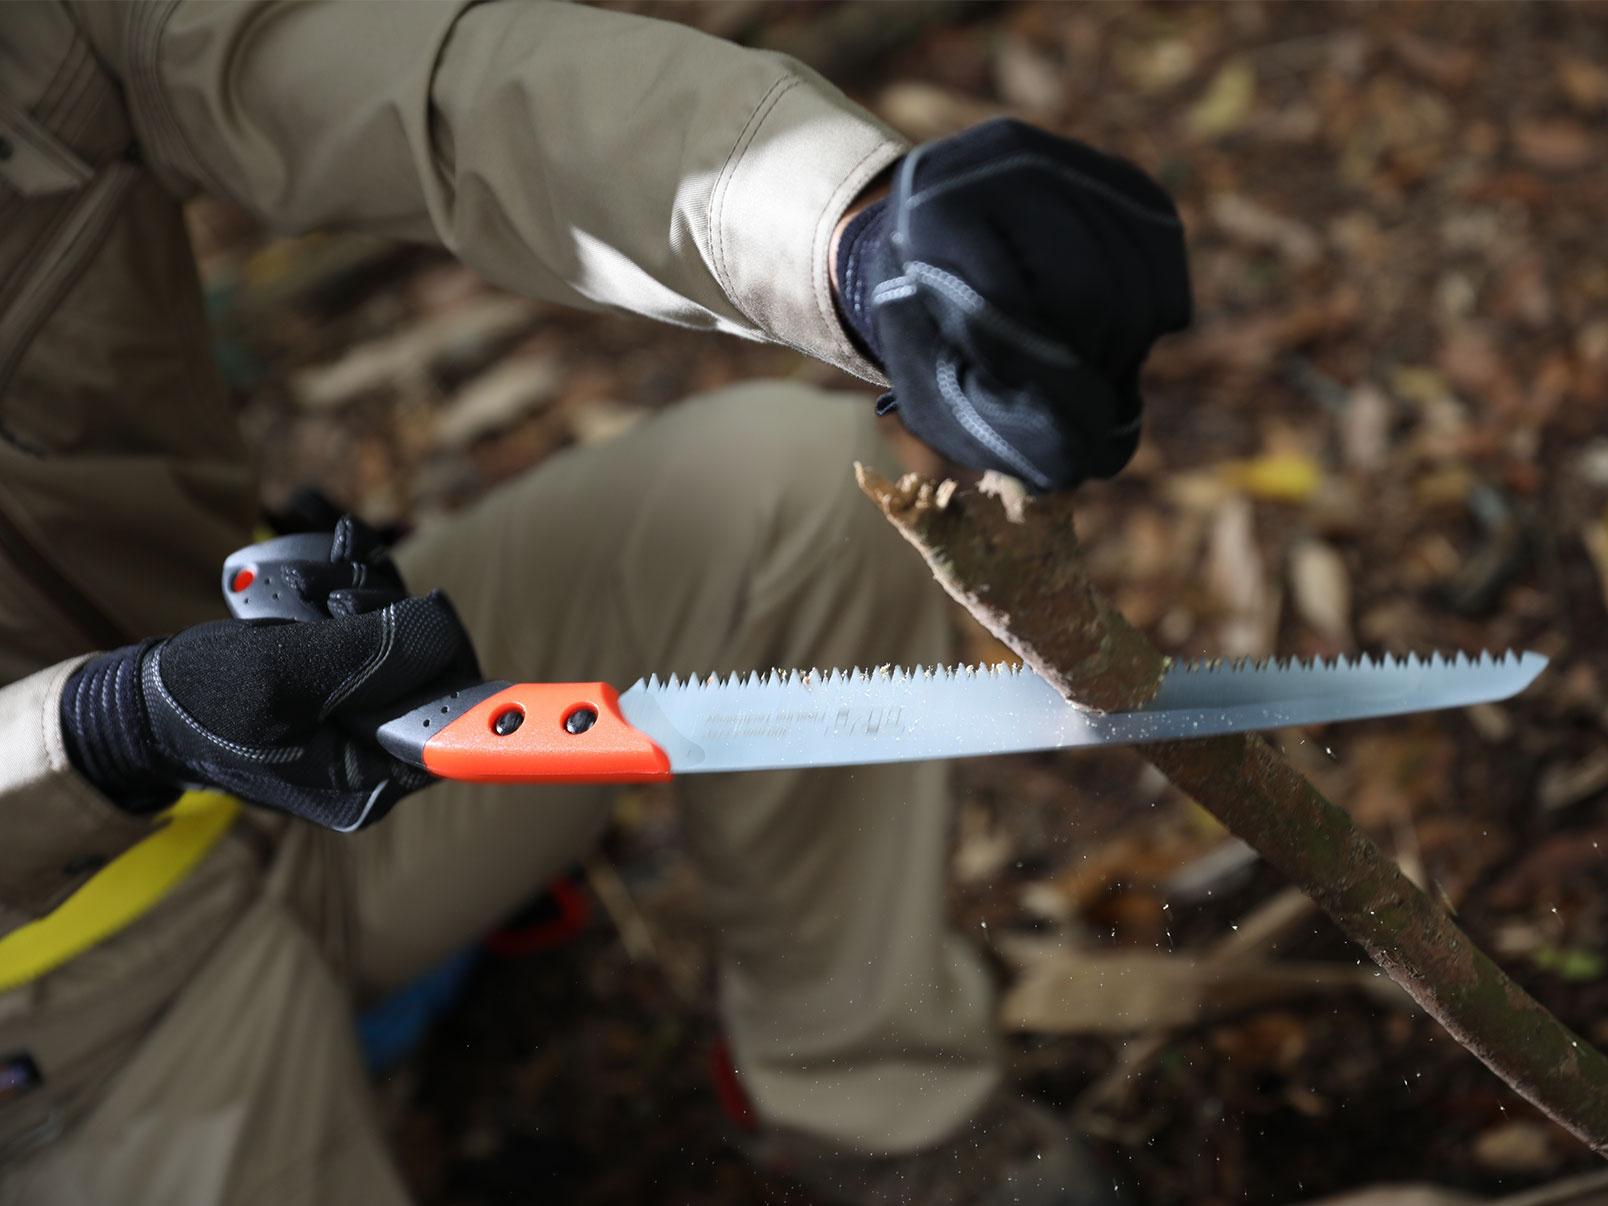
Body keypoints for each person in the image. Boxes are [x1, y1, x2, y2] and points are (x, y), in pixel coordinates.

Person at [0, 3, 1189, 1203]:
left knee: (788, 507)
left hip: (314, 772)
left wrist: (855, 236)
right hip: (75, 1035)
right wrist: (98, 734)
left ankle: (873, 1105)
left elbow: (445, 89)